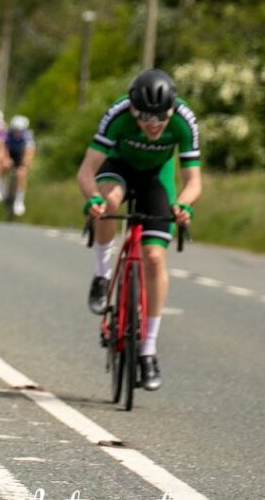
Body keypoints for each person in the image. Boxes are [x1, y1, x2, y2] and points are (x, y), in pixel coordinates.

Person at [77, 69, 201, 391]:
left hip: (156, 178)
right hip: (117, 169)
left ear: (171, 109)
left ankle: (148, 350)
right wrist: (92, 198)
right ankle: (103, 275)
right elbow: (87, 170)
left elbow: (193, 181)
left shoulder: (184, 121)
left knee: (154, 257)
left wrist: (184, 205)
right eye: (145, 116)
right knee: (111, 202)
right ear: (132, 109)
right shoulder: (116, 116)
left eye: (161, 116)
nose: (154, 124)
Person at [4, 115, 35, 216]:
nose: (17, 132)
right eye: (16, 130)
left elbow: (29, 153)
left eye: (20, 130)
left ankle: (19, 200)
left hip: (21, 156)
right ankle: (3, 187)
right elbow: (4, 149)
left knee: (21, 174)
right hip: (10, 155)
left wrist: (25, 165)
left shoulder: (28, 137)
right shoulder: (7, 135)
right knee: (4, 166)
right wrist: (6, 159)